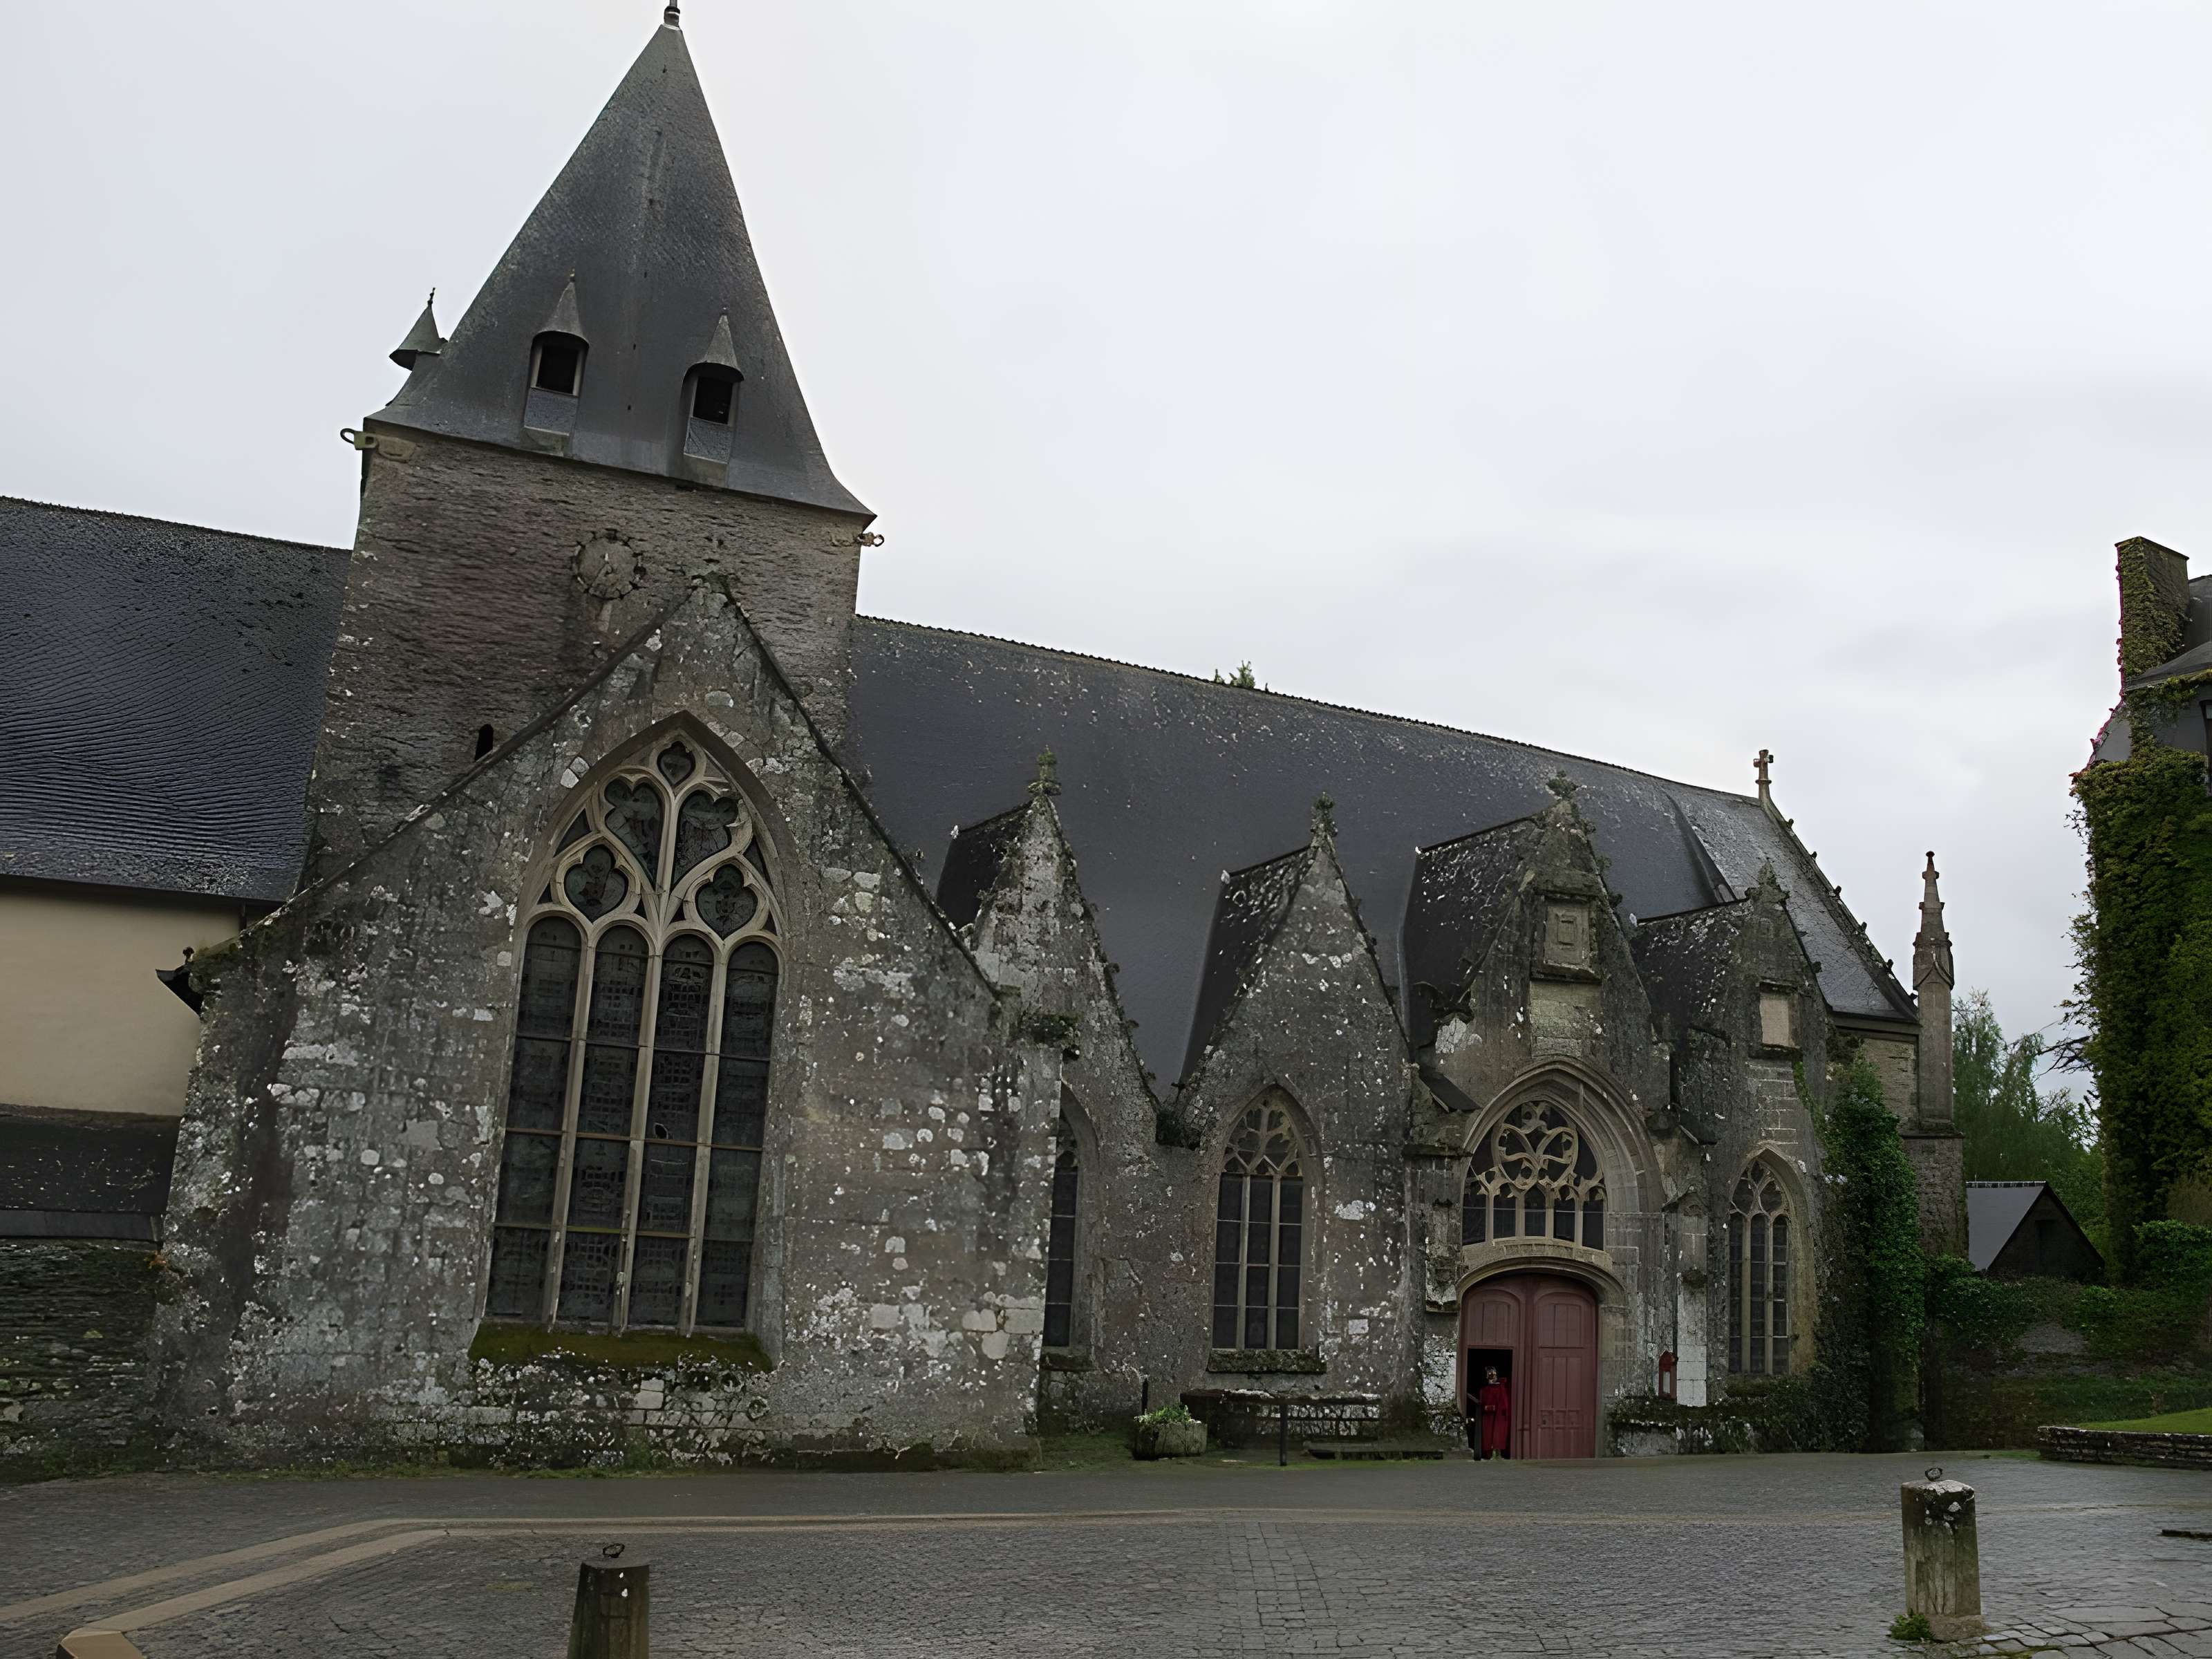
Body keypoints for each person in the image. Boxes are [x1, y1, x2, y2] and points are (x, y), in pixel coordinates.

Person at [1475, 1366, 1512, 1460]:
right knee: (1488, 1435)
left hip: (1499, 1416)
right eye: (1489, 1374)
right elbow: (1482, 1403)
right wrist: (1487, 1408)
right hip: (1488, 1417)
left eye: (1493, 1374)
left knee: (1499, 1435)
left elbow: (1504, 1403)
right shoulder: (1484, 1390)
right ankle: (1490, 1454)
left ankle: (1498, 1454)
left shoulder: (1502, 1388)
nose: (1491, 1377)